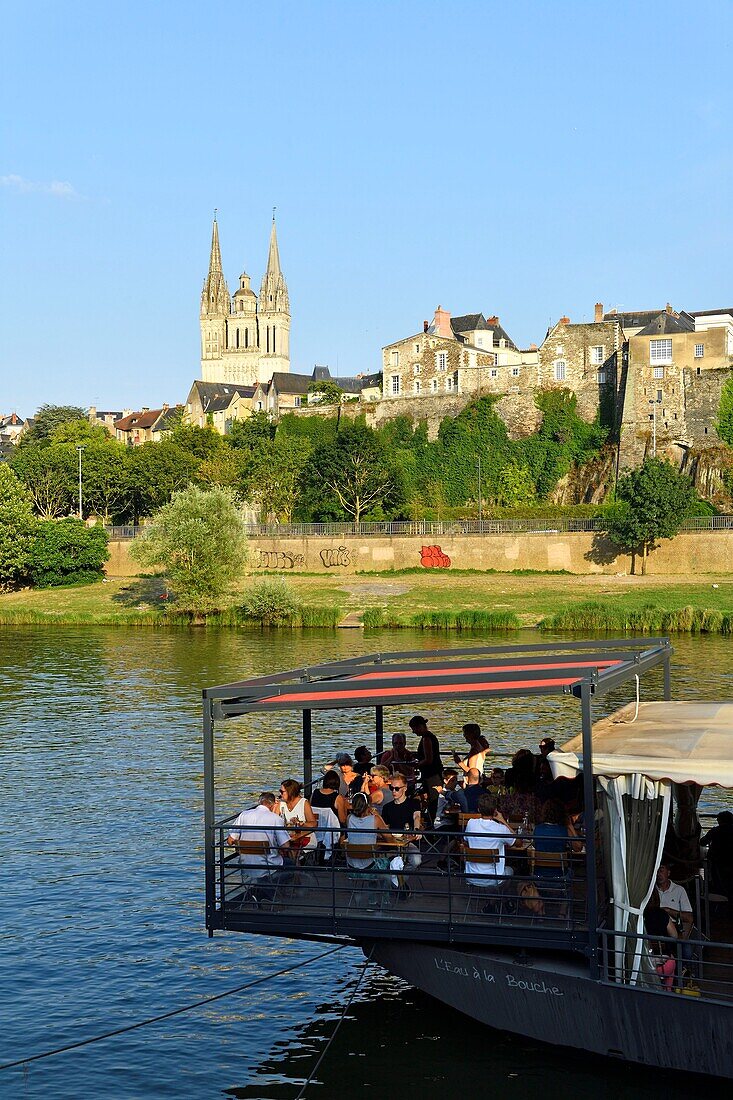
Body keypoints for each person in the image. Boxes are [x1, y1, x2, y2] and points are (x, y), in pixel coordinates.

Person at [226, 791, 292, 892]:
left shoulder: (244, 815)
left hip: (246, 864)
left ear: (259, 802)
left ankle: (263, 891)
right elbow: (286, 845)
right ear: (272, 805)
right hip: (268, 865)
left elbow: (230, 841)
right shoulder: (275, 818)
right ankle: (273, 893)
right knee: (291, 865)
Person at [464, 794, 517, 901]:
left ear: (479, 809)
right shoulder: (500, 829)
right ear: (495, 811)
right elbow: (518, 842)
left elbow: (465, 840)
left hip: (472, 875)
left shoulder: (471, 824)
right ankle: (500, 900)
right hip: (494, 878)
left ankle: (493, 902)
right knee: (511, 870)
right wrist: (503, 821)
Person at [380, 773, 422, 868]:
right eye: (392, 788)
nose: (394, 791)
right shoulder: (387, 807)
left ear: (405, 788)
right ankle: (398, 879)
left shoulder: (414, 803)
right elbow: (384, 826)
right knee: (382, 861)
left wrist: (416, 829)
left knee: (416, 860)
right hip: (391, 842)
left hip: (407, 842)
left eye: (397, 788)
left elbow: (416, 817)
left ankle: (400, 879)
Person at [656, 863, 694, 964]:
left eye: (661, 870)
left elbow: (689, 918)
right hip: (656, 928)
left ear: (668, 873)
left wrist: (668, 911)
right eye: (656, 871)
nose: (658, 874)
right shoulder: (651, 890)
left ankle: (680, 974)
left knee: (687, 953)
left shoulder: (679, 890)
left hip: (675, 928)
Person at [410, 717, 444, 820]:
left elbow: (428, 759)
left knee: (433, 801)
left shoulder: (426, 739)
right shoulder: (430, 737)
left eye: (414, 729)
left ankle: (431, 822)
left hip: (431, 775)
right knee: (432, 799)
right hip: (434, 773)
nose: (413, 732)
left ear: (419, 727)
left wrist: (416, 765)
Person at [644, 890, 678, 990]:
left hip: (647, 964)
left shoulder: (639, 915)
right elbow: (674, 936)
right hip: (665, 964)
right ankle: (668, 991)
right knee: (672, 961)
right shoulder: (662, 914)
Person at [278, 779, 318, 854]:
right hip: (287, 838)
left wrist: (301, 823)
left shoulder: (304, 803)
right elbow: (274, 820)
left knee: (291, 850)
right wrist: (274, 807)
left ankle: (292, 864)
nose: (280, 794)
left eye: (282, 792)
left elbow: (314, 824)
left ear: (290, 792)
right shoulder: (281, 803)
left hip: (304, 837)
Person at [702, 811, 733, 899]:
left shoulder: (715, 831)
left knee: (718, 882)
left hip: (717, 862)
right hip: (729, 861)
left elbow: (703, 842)